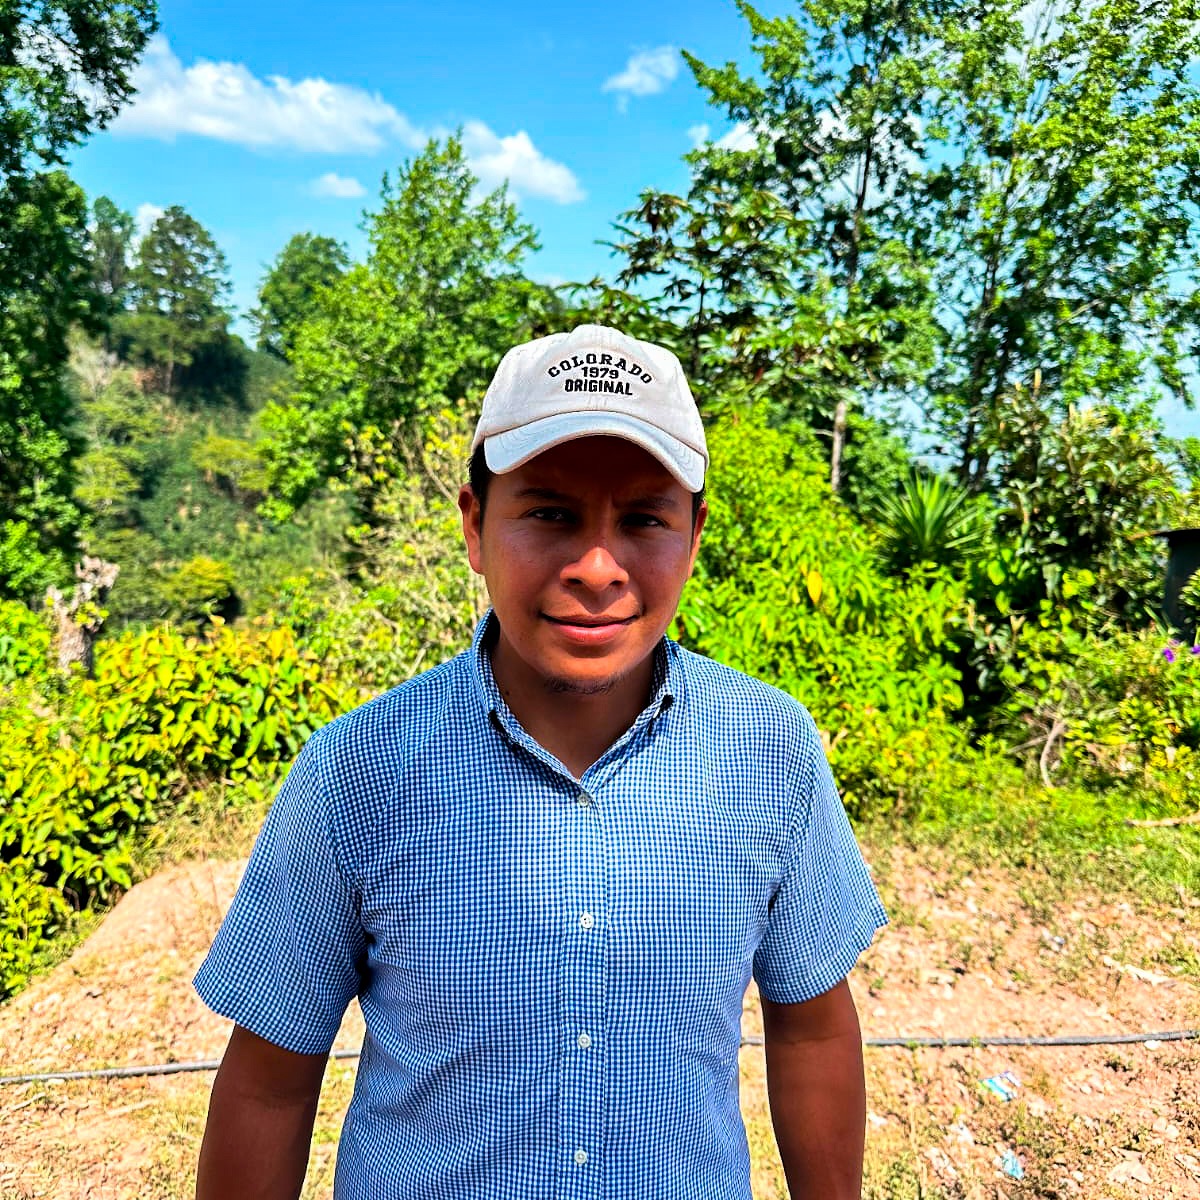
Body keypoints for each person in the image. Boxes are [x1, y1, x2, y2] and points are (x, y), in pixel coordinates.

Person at [193, 324, 888, 1200]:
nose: (597, 568)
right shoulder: (358, 771)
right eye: (550, 513)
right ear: (476, 525)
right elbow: (269, 1084)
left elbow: (813, 1031)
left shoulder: (768, 750)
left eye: (644, 519)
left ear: (695, 536)